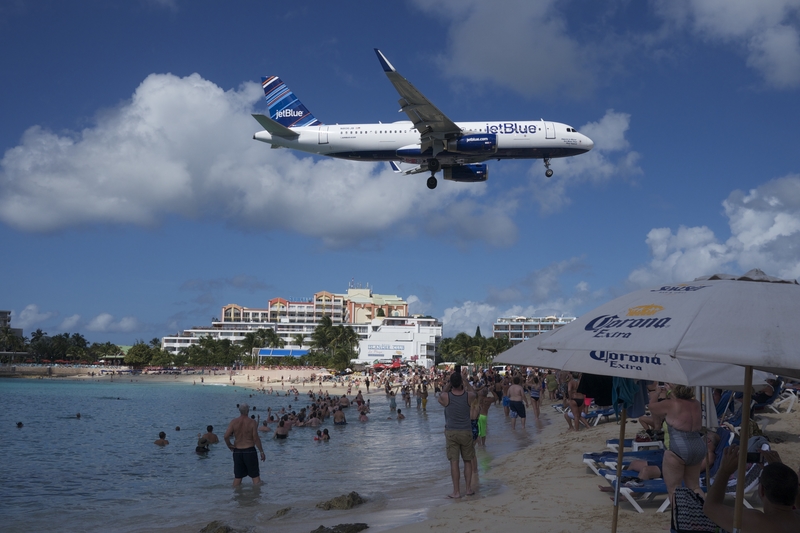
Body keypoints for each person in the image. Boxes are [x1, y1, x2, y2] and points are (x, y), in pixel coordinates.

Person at [704, 446, 800, 532]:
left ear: (761, 490)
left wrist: (724, 471)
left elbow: (710, 507)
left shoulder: (757, 522)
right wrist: (779, 470)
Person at [647, 384, 703, 500]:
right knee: (694, 486)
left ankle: (679, 518)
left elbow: (652, 407)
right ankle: (706, 515)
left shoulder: (671, 404)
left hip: (678, 445)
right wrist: (671, 392)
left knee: (674, 489)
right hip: (697, 444)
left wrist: (657, 393)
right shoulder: (696, 403)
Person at [437, 371, 477, 499]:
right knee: (467, 461)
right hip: (466, 431)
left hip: (451, 432)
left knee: (454, 462)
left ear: (451, 383)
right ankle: (469, 489)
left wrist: (449, 383)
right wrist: (465, 381)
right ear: (460, 383)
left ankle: (456, 491)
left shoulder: (446, 397)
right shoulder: (468, 396)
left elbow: (441, 394)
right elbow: (474, 393)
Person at [223, 403, 266, 486]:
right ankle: (256, 498)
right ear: (248, 411)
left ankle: (236, 497)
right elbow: (256, 438)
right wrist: (261, 452)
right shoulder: (252, 422)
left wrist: (229, 445)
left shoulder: (233, 422)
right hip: (249, 450)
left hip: (237, 451)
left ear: (239, 411)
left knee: (238, 477)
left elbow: (226, 436)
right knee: (255, 477)